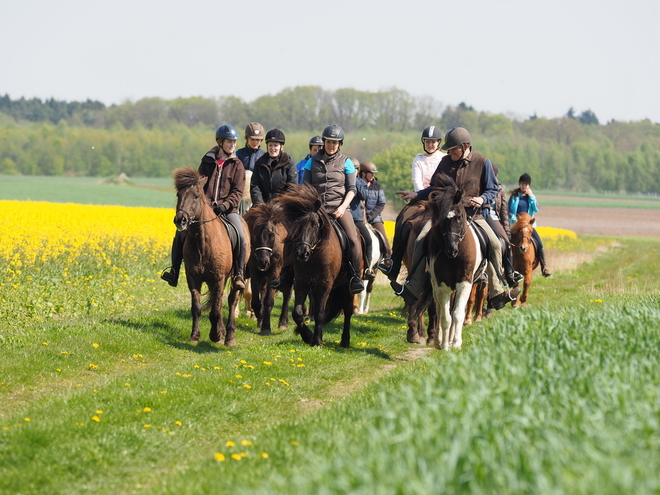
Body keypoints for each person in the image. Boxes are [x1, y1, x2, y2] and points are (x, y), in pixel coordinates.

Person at [392, 126, 521, 310]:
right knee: (420, 239)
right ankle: (413, 287)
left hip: (473, 215)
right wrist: (416, 195)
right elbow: (434, 188)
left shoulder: (483, 162)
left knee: (496, 243)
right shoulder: (445, 162)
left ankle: (497, 291)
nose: (449, 153)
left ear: (465, 146)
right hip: (446, 216)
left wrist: (482, 198)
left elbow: (492, 190)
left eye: (453, 149)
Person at [161, 124, 247, 290]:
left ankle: (239, 274)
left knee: (241, 236)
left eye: (234, 142)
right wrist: (204, 205)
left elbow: (237, 191)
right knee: (180, 233)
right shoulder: (207, 161)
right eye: (229, 142)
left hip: (228, 210)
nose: (232, 145)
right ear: (220, 142)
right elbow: (198, 187)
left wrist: (225, 205)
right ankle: (174, 270)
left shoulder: (238, 165)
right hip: (205, 210)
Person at [302, 125, 365, 294]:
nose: (331, 145)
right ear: (324, 142)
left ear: (340, 144)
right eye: (329, 142)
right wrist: (312, 207)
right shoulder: (311, 161)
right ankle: (287, 274)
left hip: (339, 209)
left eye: (335, 143)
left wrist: (343, 207)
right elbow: (306, 187)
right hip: (317, 210)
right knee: (297, 235)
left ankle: (354, 277)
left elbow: (352, 189)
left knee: (353, 239)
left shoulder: (347, 162)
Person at [378, 126, 444, 278]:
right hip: (421, 199)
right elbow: (418, 183)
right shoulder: (418, 160)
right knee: (402, 218)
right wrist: (424, 197)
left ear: (438, 142)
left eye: (433, 142)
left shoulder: (444, 159)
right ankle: (394, 262)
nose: (430, 145)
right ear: (424, 142)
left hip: (441, 201)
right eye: (427, 141)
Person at [486, 164, 524, 287]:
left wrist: (506, 230)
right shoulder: (478, 185)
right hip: (480, 217)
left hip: (494, 218)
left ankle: (509, 274)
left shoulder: (500, 190)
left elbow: (503, 211)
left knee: (507, 244)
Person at [508, 173, 552, 277]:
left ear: (529, 186)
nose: (524, 186)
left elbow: (537, 209)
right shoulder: (514, 197)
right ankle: (505, 268)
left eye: (526, 185)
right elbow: (509, 211)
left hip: (528, 226)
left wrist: (531, 196)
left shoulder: (531, 197)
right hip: (516, 225)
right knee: (507, 244)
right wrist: (515, 220)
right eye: (522, 184)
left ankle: (544, 267)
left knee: (539, 243)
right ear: (520, 184)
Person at [355, 161, 392, 262]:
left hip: (374, 218)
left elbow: (381, 204)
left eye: (373, 173)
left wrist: (370, 216)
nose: (373, 175)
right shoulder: (356, 184)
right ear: (363, 173)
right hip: (359, 218)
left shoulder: (377, 186)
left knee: (385, 242)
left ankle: (388, 262)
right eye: (371, 173)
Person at [250, 128, 297, 205]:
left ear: (281, 147)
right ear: (267, 146)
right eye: (270, 145)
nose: (272, 148)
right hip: (262, 206)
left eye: (275, 145)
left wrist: (281, 205)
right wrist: (260, 205)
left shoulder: (289, 164)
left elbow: (292, 188)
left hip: (283, 207)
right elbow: (255, 187)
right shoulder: (259, 164)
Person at [236, 122, 265, 215]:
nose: (255, 142)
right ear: (246, 138)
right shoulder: (238, 154)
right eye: (252, 139)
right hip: (240, 194)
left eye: (258, 140)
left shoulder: (264, 156)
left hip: (257, 195)